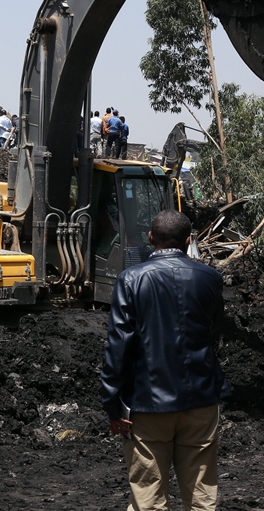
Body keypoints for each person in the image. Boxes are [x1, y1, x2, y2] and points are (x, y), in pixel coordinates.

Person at [100, 210, 228, 511]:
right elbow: (213, 329)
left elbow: (118, 344)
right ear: (188, 240)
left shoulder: (130, 279)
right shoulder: (210, 278)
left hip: (147, 405)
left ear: (150, 238)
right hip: (200, 399)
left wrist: (111, 401)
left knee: (148, 497)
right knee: (201, 496)